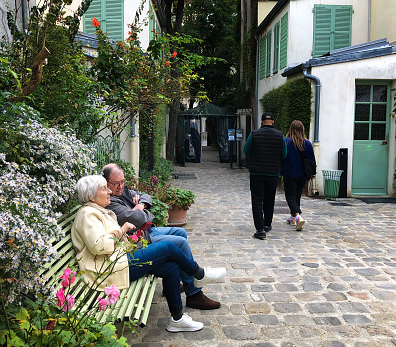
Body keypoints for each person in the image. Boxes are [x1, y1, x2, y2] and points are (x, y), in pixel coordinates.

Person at [71, 175, 226, 332]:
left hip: (121, 258)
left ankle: (177, 319)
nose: (109, 192)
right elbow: (100, 247)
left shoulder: (97, 211)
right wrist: (122, 230)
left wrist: (128, 238)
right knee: (168, 247)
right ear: (91, 196)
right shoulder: (88, 214)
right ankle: (199, 274)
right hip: (111, 268)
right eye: (104, 189)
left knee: (171, 267)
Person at [101, 163, 221, 310]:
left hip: (148, 231)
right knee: (180, 243)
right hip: (140, 239)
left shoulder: (123, 191)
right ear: (105, 183)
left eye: (123, 182)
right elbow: (138, 219)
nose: (120, 186)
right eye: (115, 184)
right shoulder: (109, 201)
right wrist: (141, 212)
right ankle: (194, 294)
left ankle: (174, 284)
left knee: (181, 233)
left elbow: (146, 197)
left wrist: (141, 206)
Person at [243, 112, 287, 240]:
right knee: (269, 199)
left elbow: (246, 150)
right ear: (273, 122)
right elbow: (284, 154)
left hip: (256, 171)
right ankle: (267, 224)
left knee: (257, 200)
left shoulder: (254, 134)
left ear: (261, 122)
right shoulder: (280, 136)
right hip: (273, 172)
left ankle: (260, 229)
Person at [280, 120, 316, 231]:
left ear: (291, 129)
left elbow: (281, 157)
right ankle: (292, 218)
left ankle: (297, 216)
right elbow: (312, 159)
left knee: (290, 197)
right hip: (302, 174)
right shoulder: (307, 143)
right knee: (297, 196)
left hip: (289, 173)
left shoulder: (286, 142)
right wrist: (313, 173)